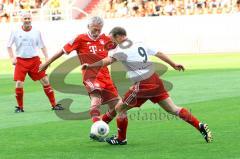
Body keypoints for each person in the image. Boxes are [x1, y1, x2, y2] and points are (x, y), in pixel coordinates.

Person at [82, 26, 213, 145]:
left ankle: (120, 138)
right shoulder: (140, 43)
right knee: (173, 109)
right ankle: (199, 125)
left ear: (119, 36)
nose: (112, 42)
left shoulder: (121, 49)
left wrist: (90, 65)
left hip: (143, 83)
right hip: (155, 80)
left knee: (120, 108)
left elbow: (108, 61)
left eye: (113, 39)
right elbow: (159, 53)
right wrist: (173, 64)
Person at [39, 16, 121, 141]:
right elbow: (62, 51)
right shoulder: (80, 39)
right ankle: (96, 124)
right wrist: (47, 63)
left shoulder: (106, 39)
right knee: (96, 97)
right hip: (90, 76)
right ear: (88, 26)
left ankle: (98, 128)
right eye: (94, 29)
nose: (97, 32)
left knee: (117, 106)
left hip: (105, 76)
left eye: (99, 30)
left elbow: (117, 50)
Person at [7, 12, 64, 113]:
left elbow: (42, 46)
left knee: (45, 81)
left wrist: (47, 58)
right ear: (22, 19)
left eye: (29, 18)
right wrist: (12, 58)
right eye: (25, 18)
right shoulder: (15, 31)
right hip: (21, 61)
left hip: (34, 61)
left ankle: (54, 105)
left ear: (31, 19)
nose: (27, 20)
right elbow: (8, 46)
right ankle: (20, 107)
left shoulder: (36, 32)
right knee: (19, 83)